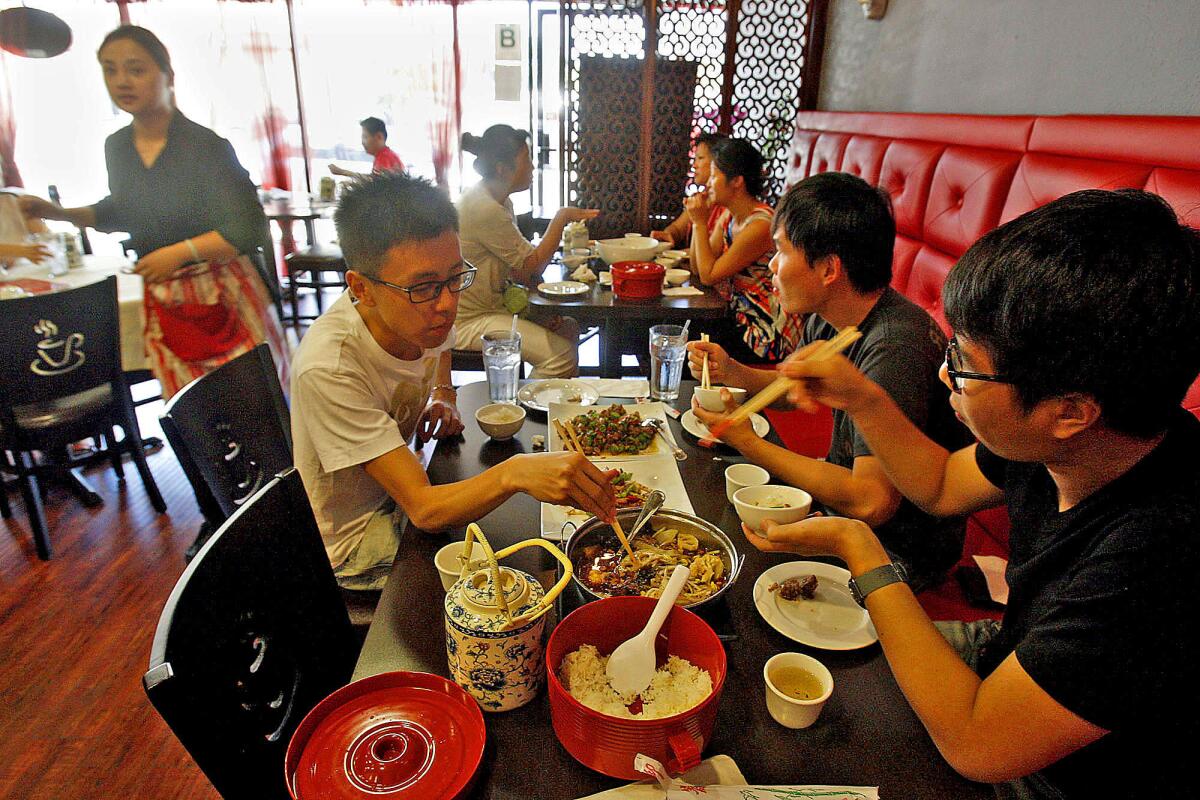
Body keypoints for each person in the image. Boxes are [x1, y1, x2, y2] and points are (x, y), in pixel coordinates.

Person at [750, 189, 1200, 797]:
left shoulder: (1163, 552)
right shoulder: (1065, 438)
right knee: (777, 664)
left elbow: (977, 742)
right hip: (1011, 653)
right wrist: (860, 394)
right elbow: (937, 484)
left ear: (1070, 410)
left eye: (963, 361)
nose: (944, 374)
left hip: (1062, 773)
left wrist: (862, 550)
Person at [291, 171, 617, 590]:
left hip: (400, 493)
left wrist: (443, 394)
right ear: (361, 288)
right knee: (532, 569)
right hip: (354, 542)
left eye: (454, 277)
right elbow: (424, 510)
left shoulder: (416, 311)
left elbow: (441, 342)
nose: (447, 305)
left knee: (531, 534)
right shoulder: (330, 366)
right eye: (425, 287)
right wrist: (514, 473)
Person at [690, 172, 969, 590]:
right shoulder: (831, 317)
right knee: (713, 525)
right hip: (844, 511)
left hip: (898, 550)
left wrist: (749, 443)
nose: (771, 266)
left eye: (780, 251)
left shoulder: (894, 347)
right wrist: (733, 371)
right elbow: (793, 393)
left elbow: (871, 502)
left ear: (828, 269)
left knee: (732, 572)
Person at [18, 25, 288, 400]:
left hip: (221, 291)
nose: (122, 81)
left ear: (168, 77)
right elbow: (123, 210)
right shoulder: (118, 147)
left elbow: (248, 226)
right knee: (195, 414)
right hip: (163, 298)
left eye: (136, 69)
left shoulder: (204, 146)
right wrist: (60, 213)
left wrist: (178, 254)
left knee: (254, 405)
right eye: (110, 71)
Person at [454, 124, 597, 378]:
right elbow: (532, 265)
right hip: (468, 321)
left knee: (568, 328)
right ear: (502, 168)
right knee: (560, 355)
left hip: (495, 309)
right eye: (527, 159)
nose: (532, 167)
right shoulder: (484, 208)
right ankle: (521, 411)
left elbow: (521, 273)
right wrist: (561, 217)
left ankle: (559, 408)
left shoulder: (500, 201)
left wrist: (538, 312)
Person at [688, 137, 801, 363]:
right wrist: (697, 220)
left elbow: (709, 276)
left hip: (766, 330)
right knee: (681, 337)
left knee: (686, 346)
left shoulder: (760, 224)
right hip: (738, 317)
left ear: (737, 181)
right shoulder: (730, 216)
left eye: (714, 176)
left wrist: (700, 223)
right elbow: (697, 268)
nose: (708, 184)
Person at [650, 132, 728, 248]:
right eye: (694, 158)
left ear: (718, 163)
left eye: (700, 158)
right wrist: (667, 234)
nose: (694, 165)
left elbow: (714, 257)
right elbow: (677, 228)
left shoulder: (728, 205)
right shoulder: (700, 198)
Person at [329, 116, 405, 177]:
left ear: (379, 137)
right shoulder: (384, 155)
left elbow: (375, 183)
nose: (362, 142)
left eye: (365, 137)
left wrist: (343, 172)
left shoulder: (385, 157)